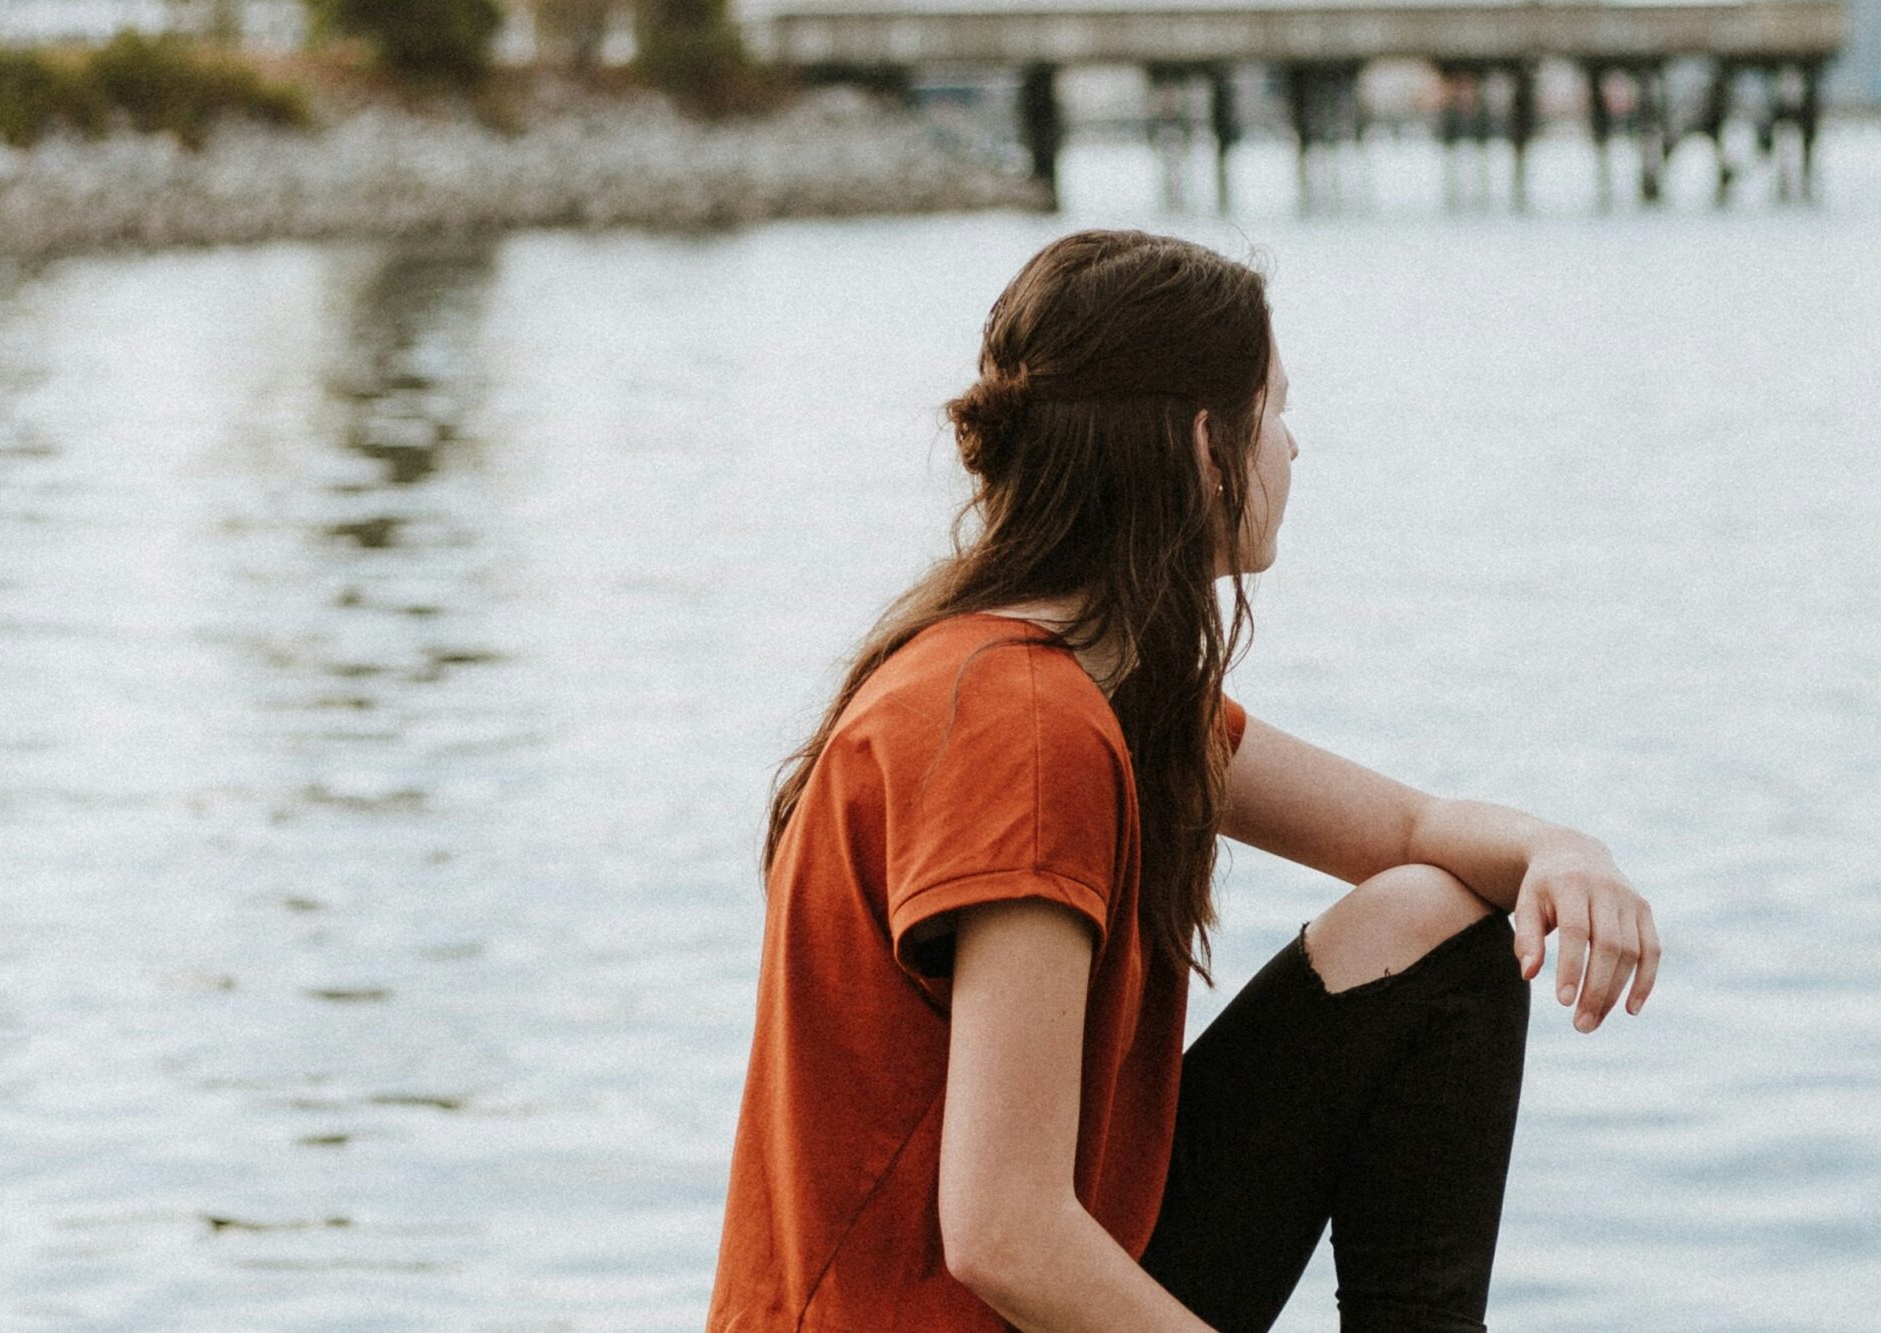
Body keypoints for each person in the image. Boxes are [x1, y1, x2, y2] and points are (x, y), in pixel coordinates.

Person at [708, 229, 1659, 1333]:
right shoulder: (1020, 730)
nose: (1293, 449)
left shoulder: (1099, 689)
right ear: (1205, 443)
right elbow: (1001, 1230)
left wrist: (1565, 855)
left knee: (1433, 917)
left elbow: (1411, 830)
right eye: (1275, 409)